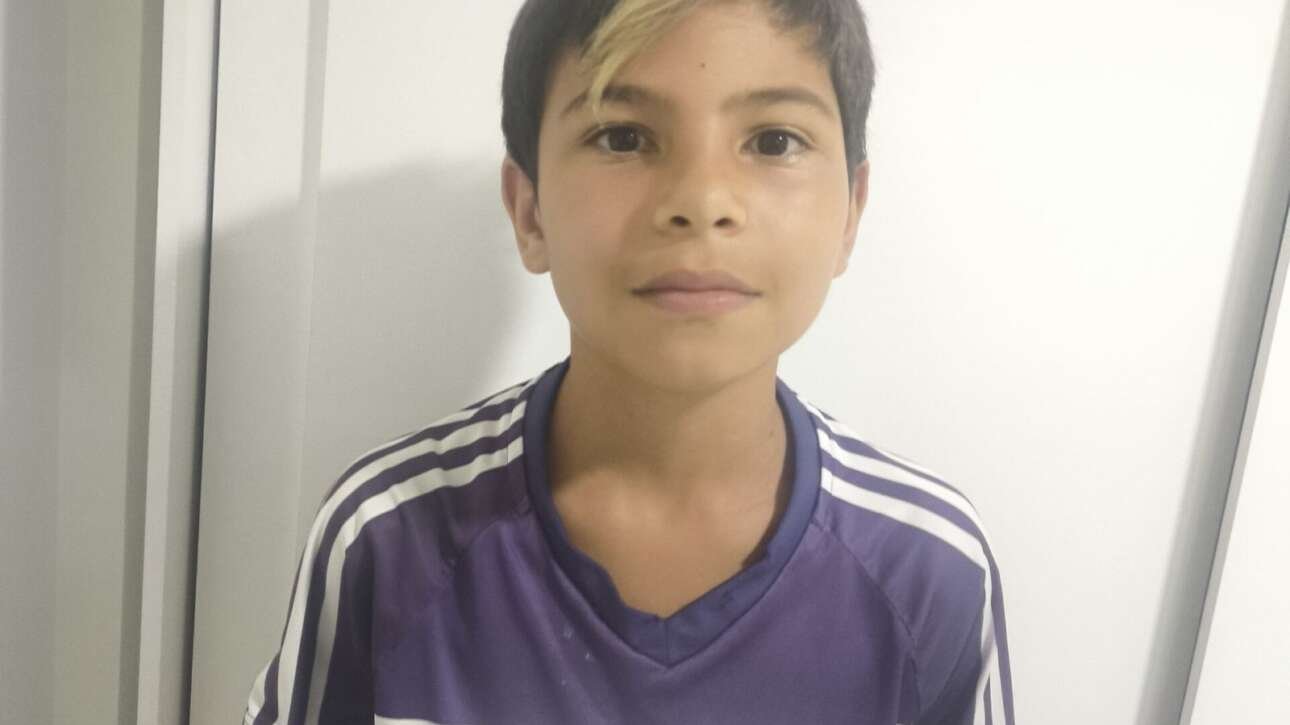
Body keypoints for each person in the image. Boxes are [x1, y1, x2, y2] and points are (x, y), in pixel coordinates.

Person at [243, 0, 1016, 723]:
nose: (702, 199)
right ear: (529, 210)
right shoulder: (385, 537)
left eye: (774, 141)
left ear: (851, 211)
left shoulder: (932, 570)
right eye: (623, 137)